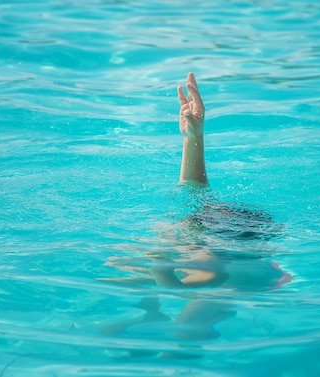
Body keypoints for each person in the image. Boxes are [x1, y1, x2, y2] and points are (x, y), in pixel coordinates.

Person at [99, 73, 291, 357]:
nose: (163, 229)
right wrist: (193, 137)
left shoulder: (215, 259)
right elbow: (193, 192)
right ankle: (154, 320)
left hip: (247, 277)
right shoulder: (189, 234)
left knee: (189, 332)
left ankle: (164, 339)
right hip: (223, 233)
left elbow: (200, 282)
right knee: (136, 264)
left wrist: (157, 276)